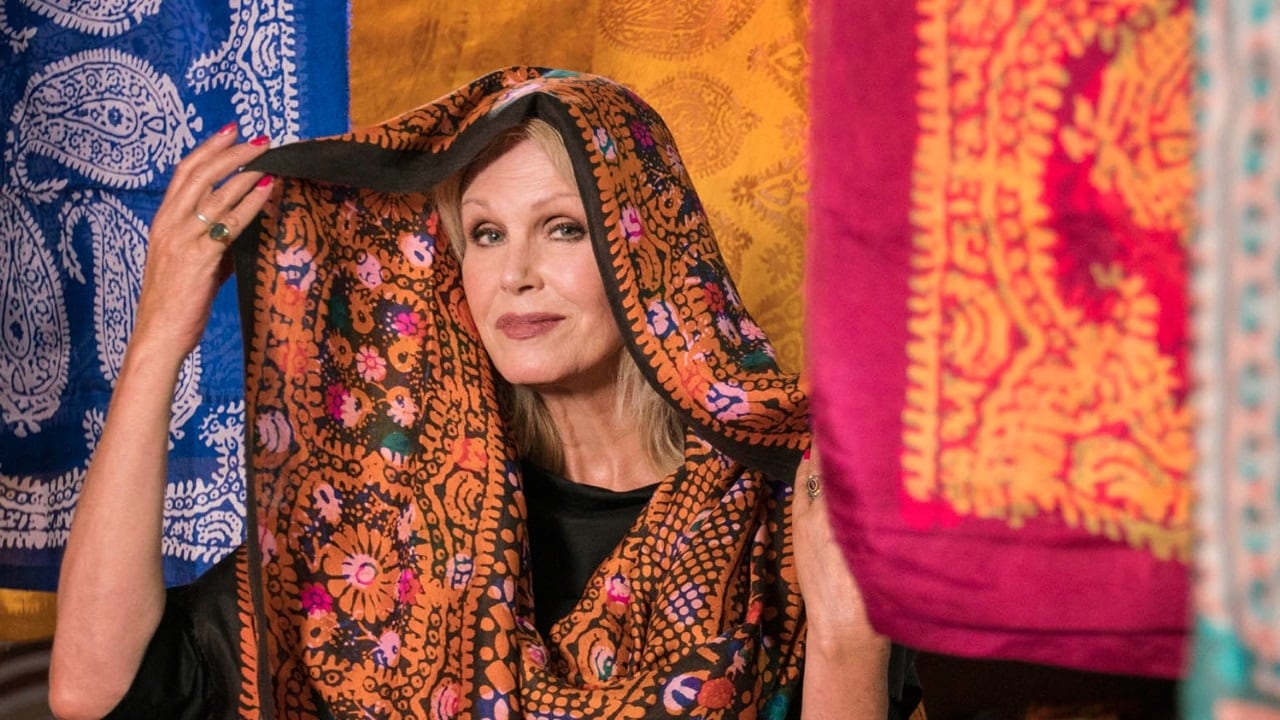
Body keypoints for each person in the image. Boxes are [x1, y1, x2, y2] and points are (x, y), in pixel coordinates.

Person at [48, 68, 921, 719]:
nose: (516, 274)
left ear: (647, 250)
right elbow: (95, 687)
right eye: (488, 234)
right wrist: (158, 337)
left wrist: (848, 643)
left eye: (563, 228)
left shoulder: (787, 512)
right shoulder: (395, 519)